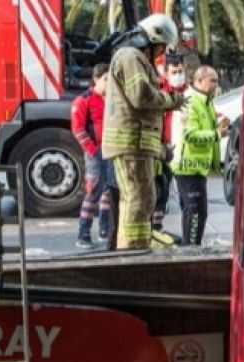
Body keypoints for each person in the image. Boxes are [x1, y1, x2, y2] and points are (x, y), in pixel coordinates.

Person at [102, 13, 185, 250]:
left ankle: (138, 247)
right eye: (160, 48)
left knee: (144, 200)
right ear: (151, 39)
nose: (161, 54)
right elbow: (140, 96)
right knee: (136, 201)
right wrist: (171, 99)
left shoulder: (136, 58)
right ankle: (130, 255)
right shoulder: (130, 56)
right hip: (130, 146)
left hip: (138, 146)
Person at [171, 65, 226, 246]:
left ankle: (191, 246)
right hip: (188, 166)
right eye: (213, 81)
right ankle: (191, 250)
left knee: (196, 211)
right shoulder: (190, 101)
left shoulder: (206, 101)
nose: (216, 85)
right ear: (199, 81)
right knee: (195, 211)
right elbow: (189, 135)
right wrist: (218, 134)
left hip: (197, 167)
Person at [70, 64, 113, 248]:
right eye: (106, 79)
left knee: (109, 191)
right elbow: (78, 129)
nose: (109, 83)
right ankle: (83, 234)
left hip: (111, 150)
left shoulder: (112, 100)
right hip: (96, 152)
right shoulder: (83, 100)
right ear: (96, 79)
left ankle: (105, 229)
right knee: (93, 191)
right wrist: (93, 150)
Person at [151, 56, 187, 241]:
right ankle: (154, 228)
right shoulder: (160, 93)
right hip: (161, 149)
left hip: (180, 151)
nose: (178, 75)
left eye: (180, 71)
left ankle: (159, 228)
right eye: (174, 72)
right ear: (165, 73)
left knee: (168, 193)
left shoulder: (187, 93)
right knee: (159, 189)